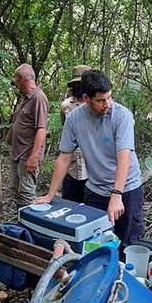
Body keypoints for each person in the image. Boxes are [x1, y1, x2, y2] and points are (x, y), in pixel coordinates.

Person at [35, 70, 144, 246]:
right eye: (101, 100)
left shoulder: (122, 116)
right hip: (96, 191)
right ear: (86, 98)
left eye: (109, 97)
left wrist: (116, 195)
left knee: (127, 244)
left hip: (127, 190)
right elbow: (64, 158)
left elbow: (124, 158)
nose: (107, 104)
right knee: (94, 244)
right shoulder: (74, 119)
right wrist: (50, 194)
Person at [10, 63, 49, 207]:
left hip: (28, 154)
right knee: (16, 190)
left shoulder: (39, 98)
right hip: (18, 153)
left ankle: (29, 226)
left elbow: (41, 129)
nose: (16, 84)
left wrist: (34, 157)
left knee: (26, 193)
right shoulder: (25, 98)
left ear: (22, 79)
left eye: (16, 80)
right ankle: (20, 224)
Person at [59, 64, 91, 202]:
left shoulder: (95, 105)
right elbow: (66, 131)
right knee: (69, 204)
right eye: (77, 84)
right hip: (71, 167)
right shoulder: (66, 105)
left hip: (92, 168)